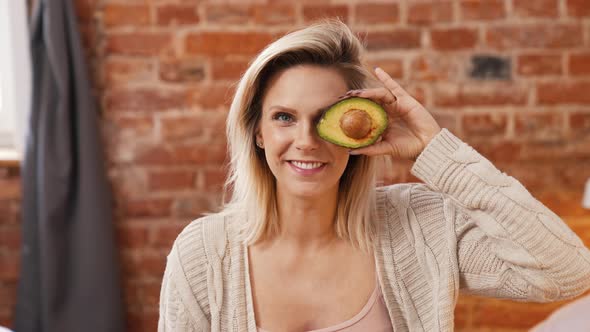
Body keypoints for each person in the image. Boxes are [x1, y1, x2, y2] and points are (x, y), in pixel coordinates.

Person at [158, 20, 590, 332]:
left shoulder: (420, 224)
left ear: (358, 130)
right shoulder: (202, 254)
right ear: (257, 131)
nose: (307, 141)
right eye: (285, 117)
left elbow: (568, 272)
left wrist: (436, 150)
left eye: (328, 118)